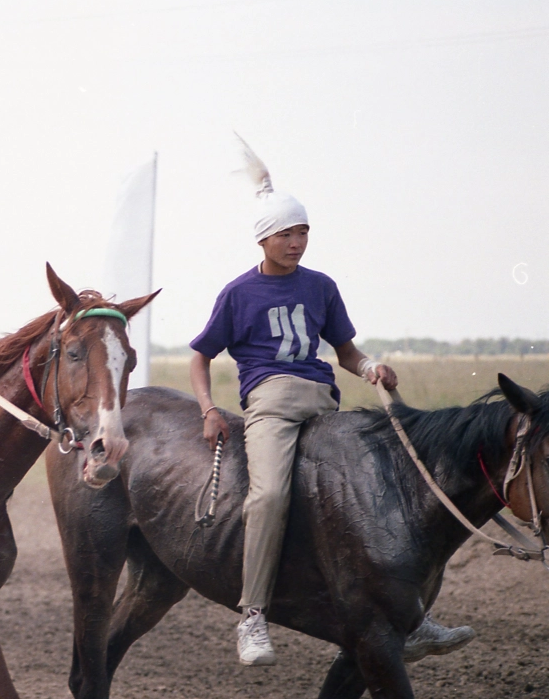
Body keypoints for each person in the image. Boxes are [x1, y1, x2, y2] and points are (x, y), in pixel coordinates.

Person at [190, 138, 475, 666]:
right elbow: (200, 357)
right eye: (286, 234)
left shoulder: (322, 286)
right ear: (263, 239)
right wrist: (209, 408)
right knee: (269, 496)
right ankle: (252, 616)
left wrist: (370, 368)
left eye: (303, 232)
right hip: (271, 407)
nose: (297, 242)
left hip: (324, 403)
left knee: (379, 495)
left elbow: (345, 350)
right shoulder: (236, 293)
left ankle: (412, 618)